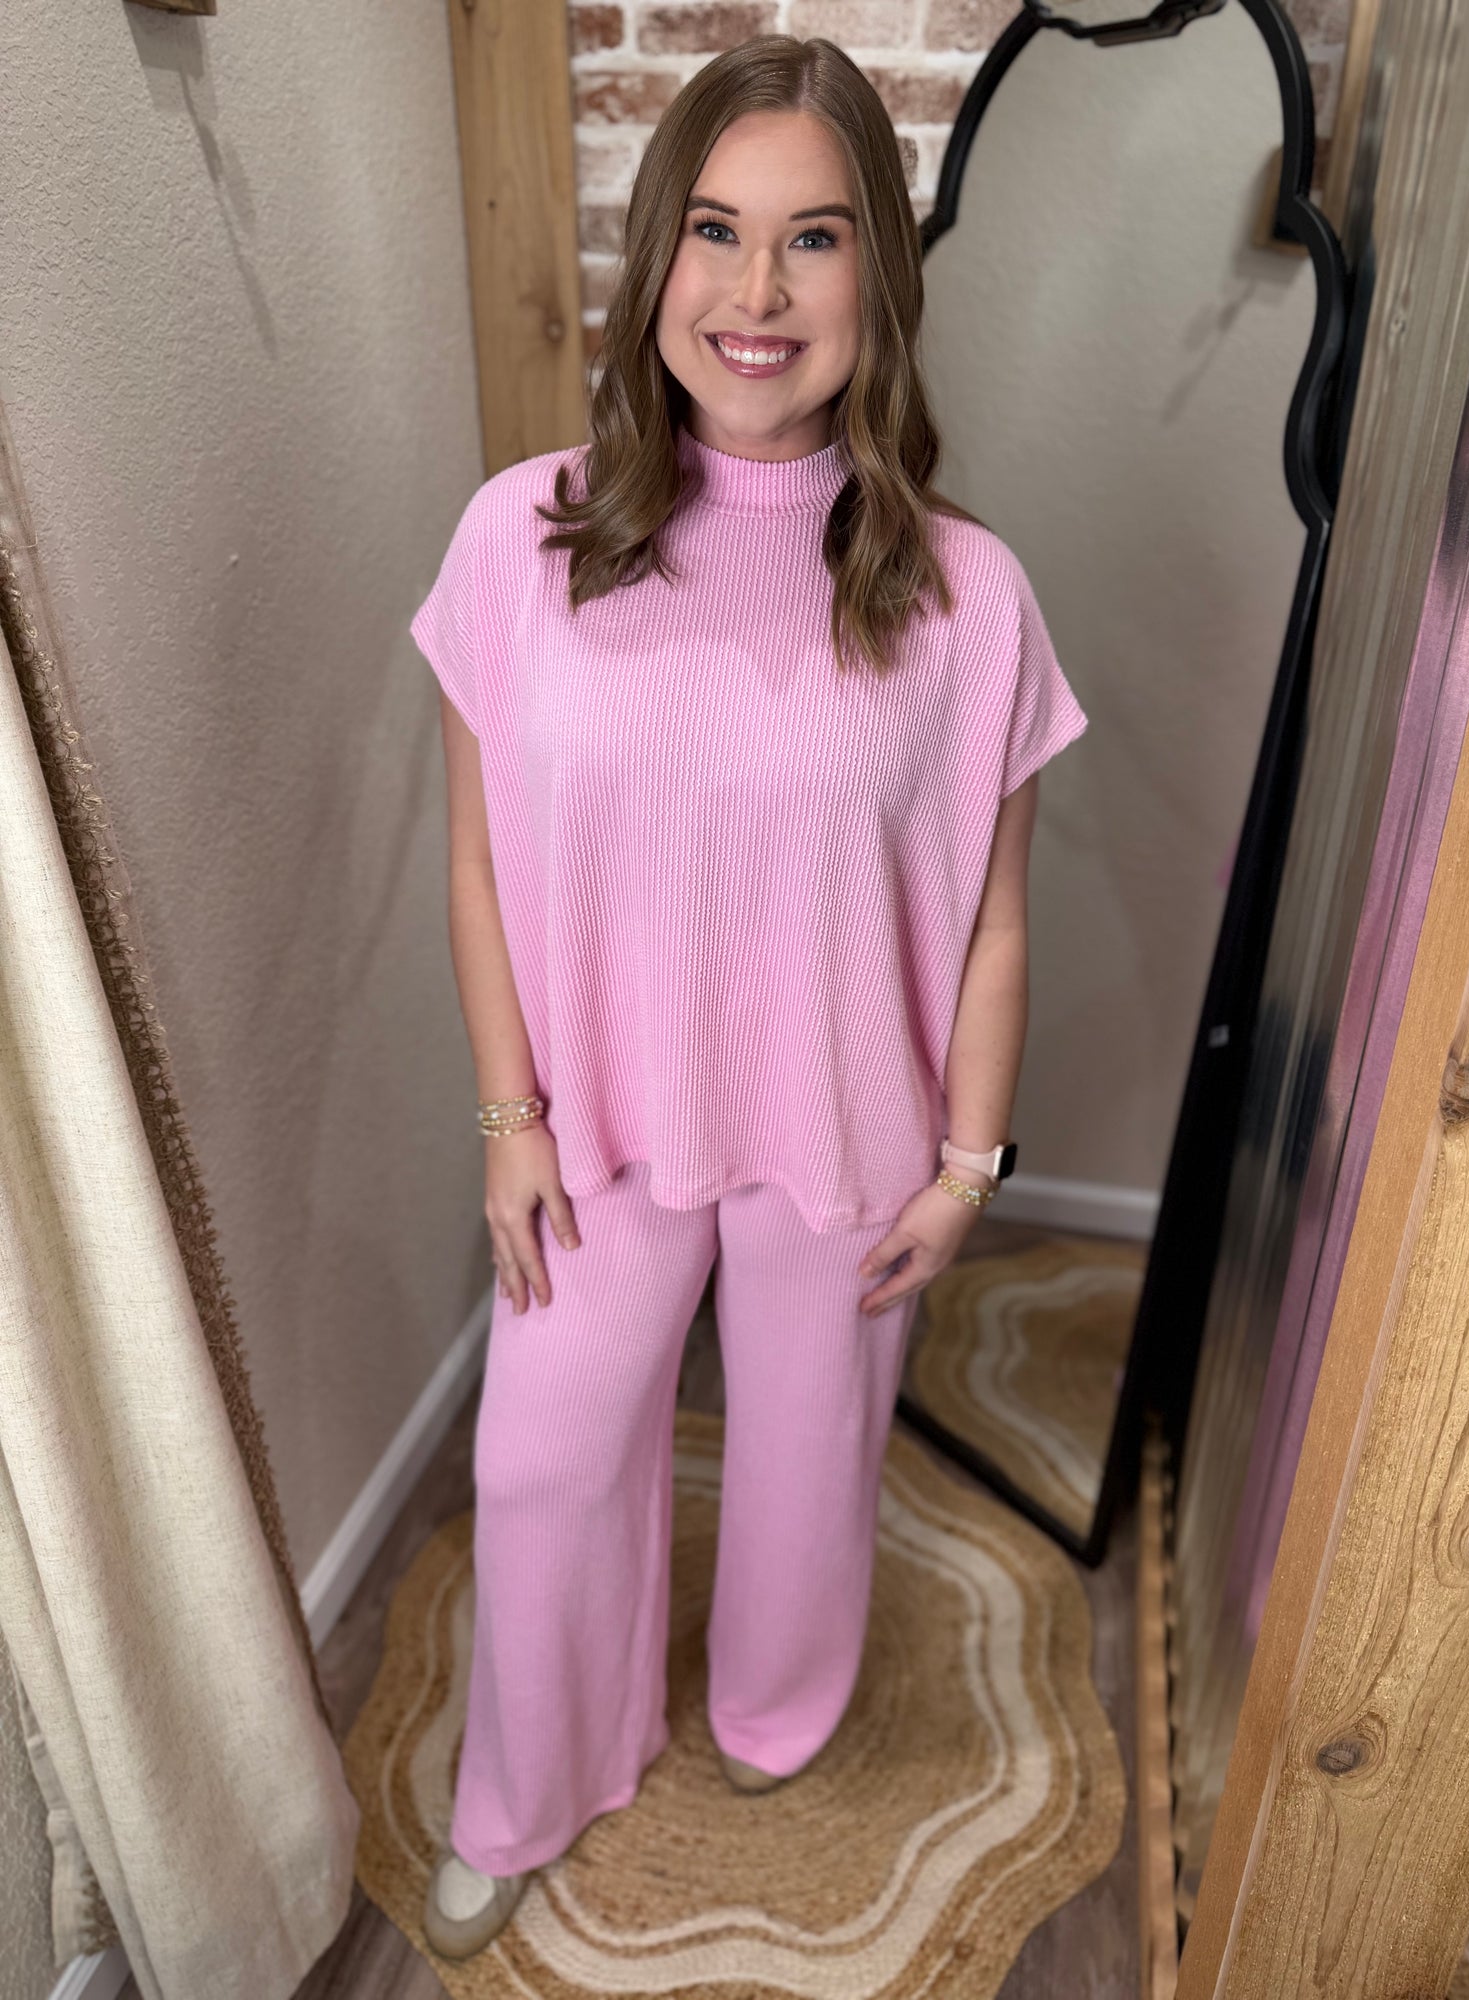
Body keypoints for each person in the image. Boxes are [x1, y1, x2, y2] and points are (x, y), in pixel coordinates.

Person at [411, 32, 1088, 1962]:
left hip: (847, 1142)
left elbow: (994, 922)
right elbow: (479, 863)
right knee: (541, 1460)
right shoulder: (524, 537)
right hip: (597, 1133)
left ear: (879, 274)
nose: (758, 290)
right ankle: (532, 1781)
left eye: (814, 237)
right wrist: (508, 1120)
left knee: (807, 1467)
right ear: (658, 257)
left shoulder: (967, 595)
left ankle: (774, 1711)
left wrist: (966, 1169)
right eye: (715, 230)